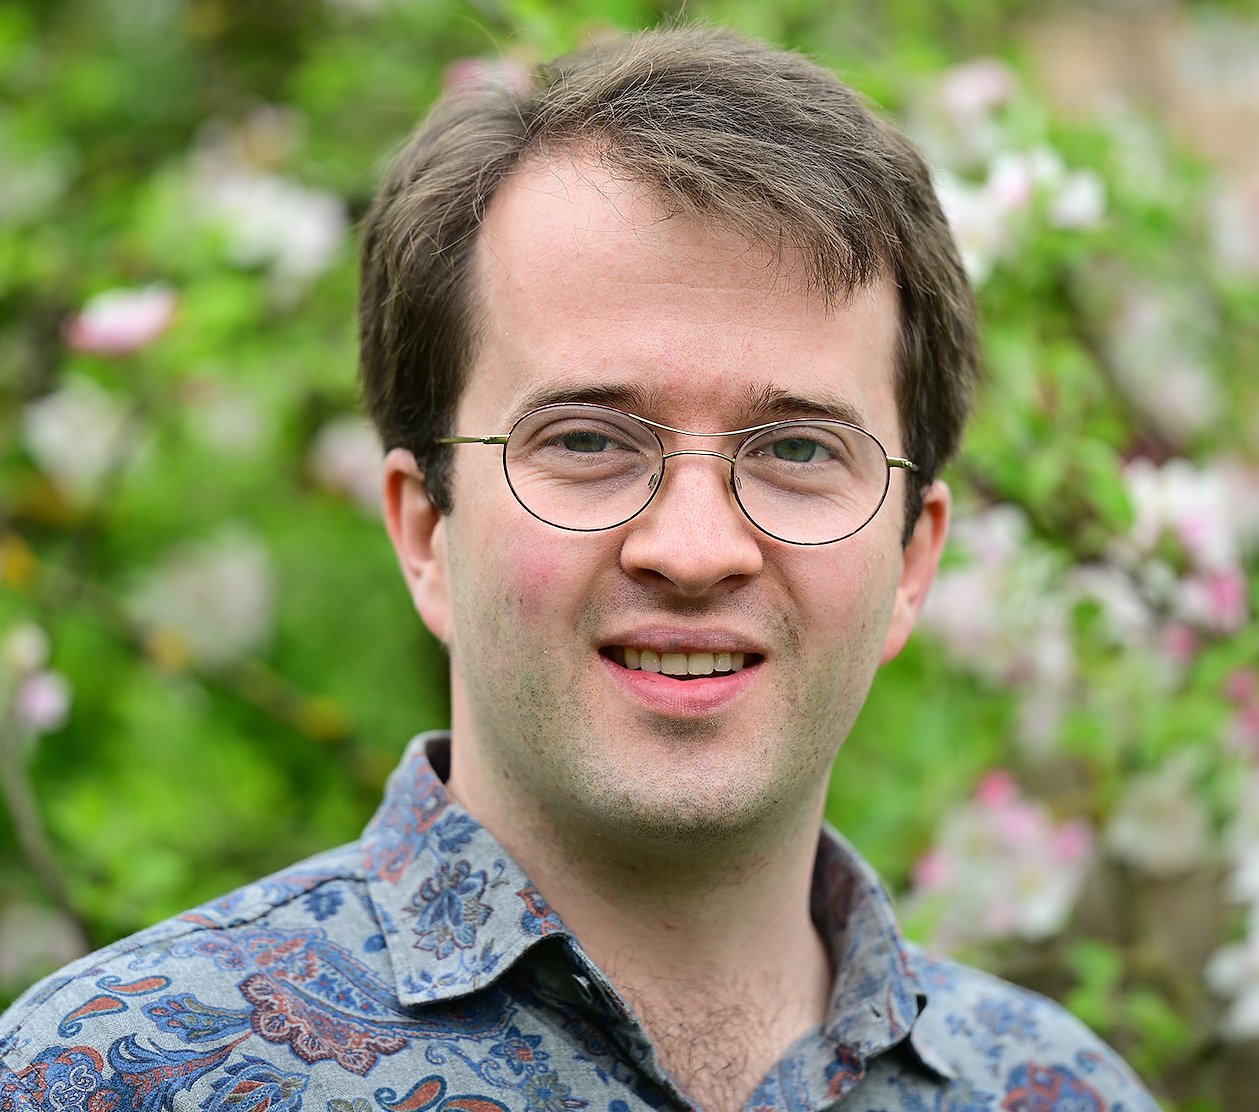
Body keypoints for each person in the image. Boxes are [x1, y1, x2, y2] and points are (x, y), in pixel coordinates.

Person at [1, 26, 1157, 1112]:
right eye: (589, 441)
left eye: (798, 449)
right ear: (424, 529)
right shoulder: (109, 1076)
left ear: (911, 557)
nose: (694, 549)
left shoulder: (1059, 1092)